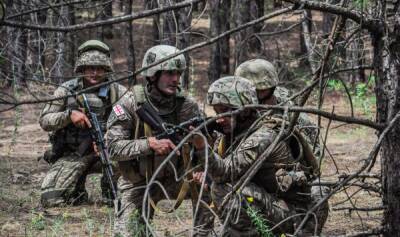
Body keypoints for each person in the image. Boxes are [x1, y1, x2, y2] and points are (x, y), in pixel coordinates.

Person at [193, 76, 327, 236]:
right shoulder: (233, 134)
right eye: (216, 112)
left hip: (294, 216)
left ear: (245, 109)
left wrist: (201, 146)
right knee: (213, 184)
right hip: (272, 204)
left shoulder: (263, 135)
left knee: (226, 188)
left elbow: (224, 173)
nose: (219, 119)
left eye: (225, 111)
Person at [106, 45, 214, 237]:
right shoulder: (129, 104)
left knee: (209, 184)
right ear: (153, 74)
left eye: (178, 74)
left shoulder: (187, 106)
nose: (175, 79)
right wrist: (149, 144)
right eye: (169, 73)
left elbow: (209, 144)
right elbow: (112, 148)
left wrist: (202, 163)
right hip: (139, 181)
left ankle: (203, 233)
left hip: (177, 178)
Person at [39, 39, 126, 207]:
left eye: (99, 68)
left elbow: (131, 123)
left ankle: (111, 193)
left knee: (125, 185)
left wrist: (111, 137)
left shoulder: (118, 92)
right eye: (90, 68)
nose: (95, 73)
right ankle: (77, 191)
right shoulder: (66, 90)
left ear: (106, 69)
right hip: (74, 154)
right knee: (51, 199)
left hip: (108, 152)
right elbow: (44, 120)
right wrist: (68, 115)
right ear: (82, 69)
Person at [234, 59, 320, 154]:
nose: (255, 95)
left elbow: (314, 148)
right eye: (249, 91)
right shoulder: (234, 106)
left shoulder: (288, 107)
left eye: (261, 90)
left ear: (272, 87)